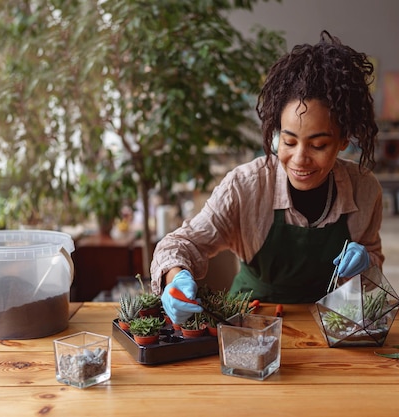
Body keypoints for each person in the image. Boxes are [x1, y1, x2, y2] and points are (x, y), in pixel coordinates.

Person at [150, 30, 384, 324]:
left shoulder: (364, 189)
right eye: (288, 142)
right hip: (249, 323)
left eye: (318, 145)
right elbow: (181, 245)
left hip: (331, 324)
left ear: (342, 140)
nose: (299, 158)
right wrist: (175, 279)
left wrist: (366, 265)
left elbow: (372, 270)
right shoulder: (246, 187)